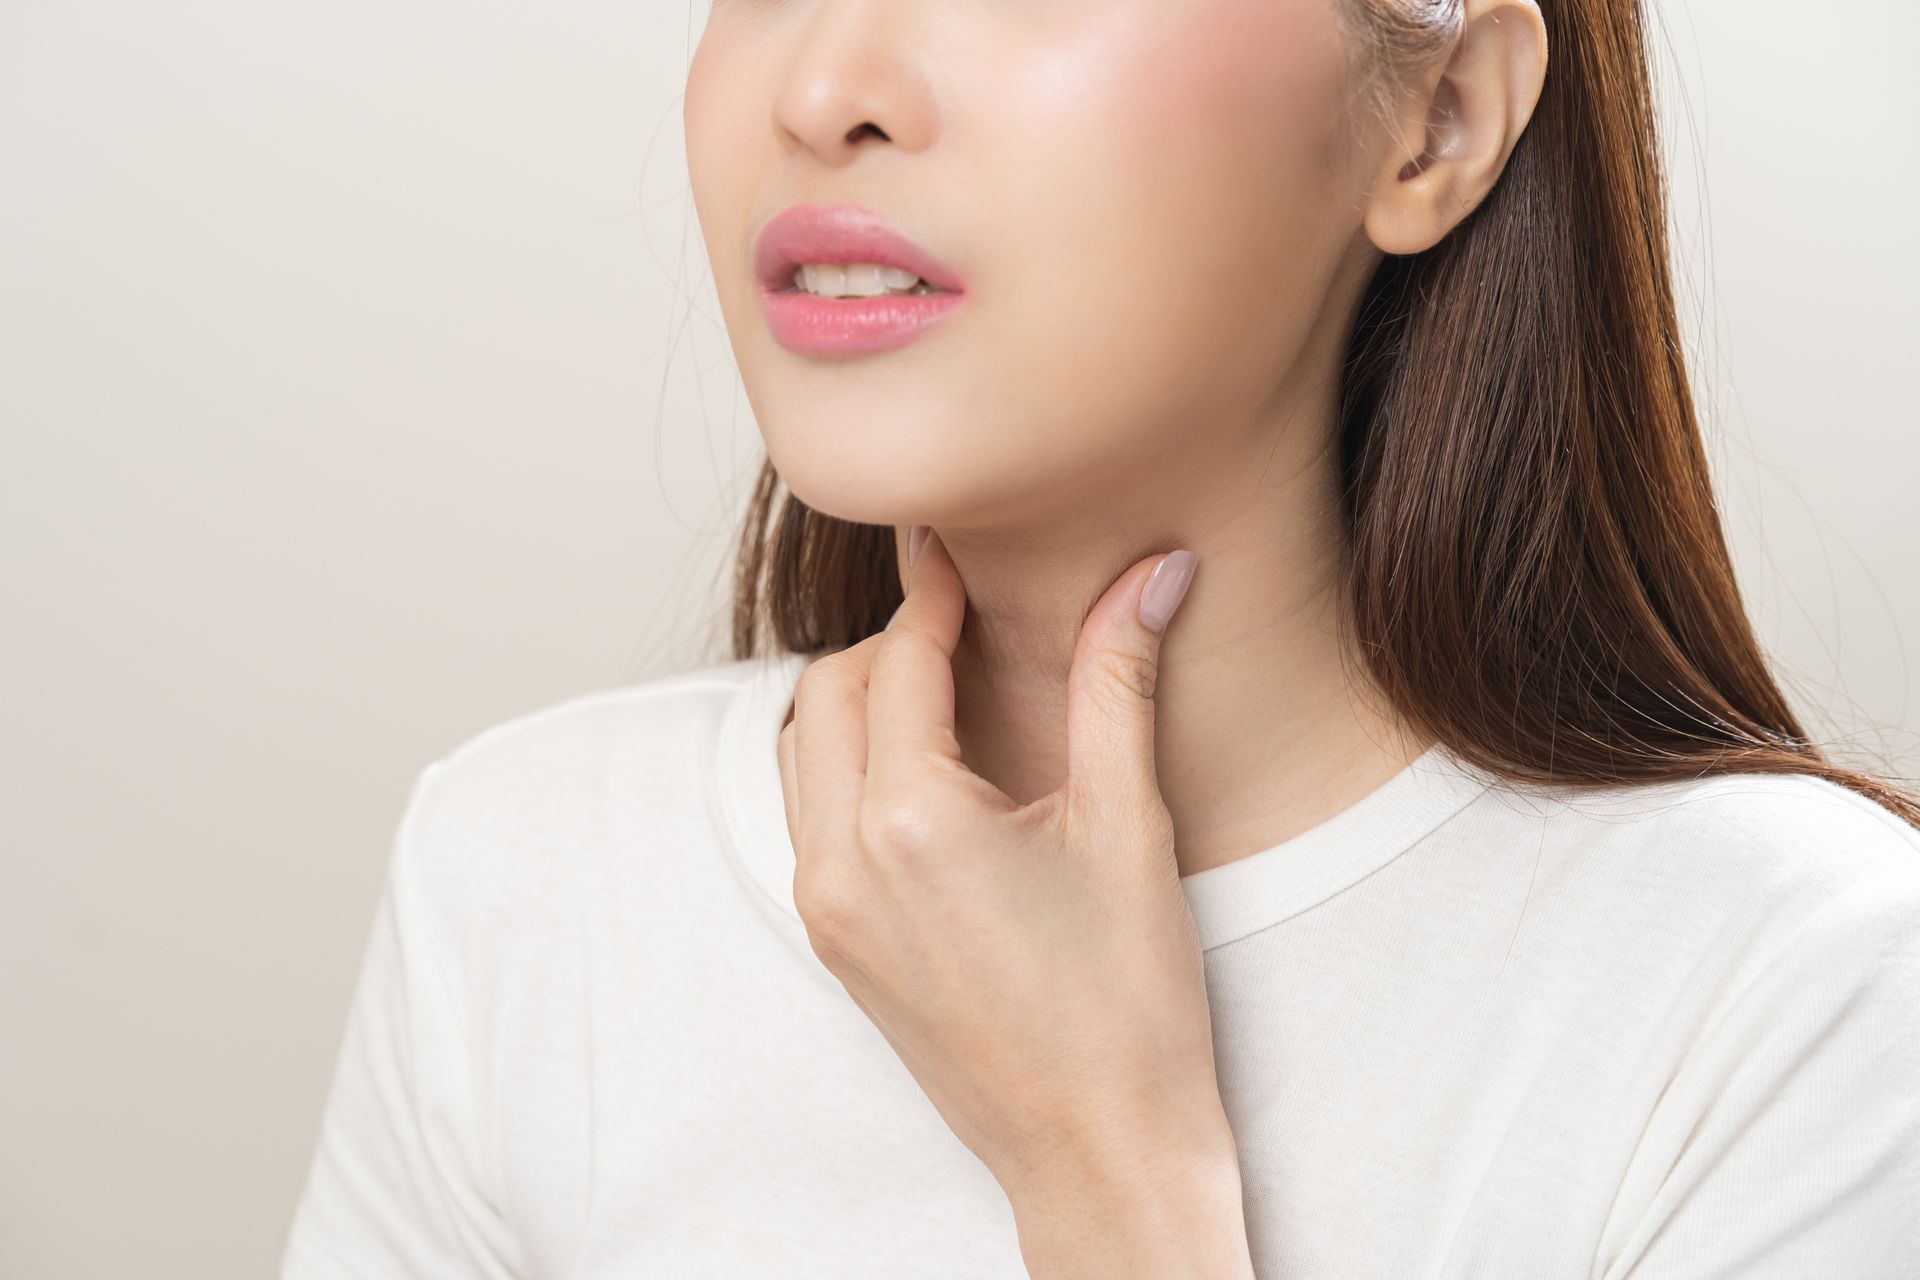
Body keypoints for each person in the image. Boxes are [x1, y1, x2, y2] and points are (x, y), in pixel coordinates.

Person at [282, 0, 1920, 1275]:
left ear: (1437, 118)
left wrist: (1113, 1171)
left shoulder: (1794, 997)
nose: (826, 86)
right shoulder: (526, 875)